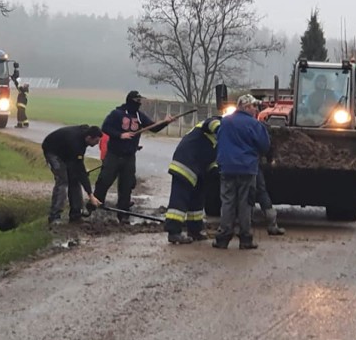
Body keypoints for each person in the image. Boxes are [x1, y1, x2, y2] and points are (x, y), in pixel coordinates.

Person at [90, 90, 173, 223]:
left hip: (129, 157)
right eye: (137, 101)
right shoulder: (117, 114)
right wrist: (120, 135)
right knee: (104, 181)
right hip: (114, 155)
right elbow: (105, 127)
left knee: (126, 186)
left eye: (140, 101)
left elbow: (154, 128)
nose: (139, 104)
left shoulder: (140, 116)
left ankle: (123, 215)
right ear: (131, 101)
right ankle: (93, 208)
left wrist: (166, 122)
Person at [212, 94, 270, 250]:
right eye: (254, 106)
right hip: (247, 169)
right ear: (246, 107)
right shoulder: (254, 124)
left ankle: (223, 238)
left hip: (227, 168)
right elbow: (264, 146)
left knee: (227, 202)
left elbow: (219, 140)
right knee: (245, 204)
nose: (256, 110)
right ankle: (245, 239)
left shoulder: (225, 122)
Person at [164, 116, 222, 244]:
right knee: (179, 201)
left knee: (197, 201)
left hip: (198, 169)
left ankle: (195, 230)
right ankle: (174, 232)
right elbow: (212, 124)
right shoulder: (215, 122)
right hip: (185, 165)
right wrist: (226, 131)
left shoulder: (220, 142)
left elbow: (213, 161)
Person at [42, 125, 103, 225]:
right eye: (96, 141)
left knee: (74, 179)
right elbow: (80, 169)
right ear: (89, 138)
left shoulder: (84, 136)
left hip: (67, 152)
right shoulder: (75, 143)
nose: (97, 144)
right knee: (63, 181)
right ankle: (54, 216)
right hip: (52, 151)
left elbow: (78, 168)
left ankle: (76, 213)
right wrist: (91, 195)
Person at [255, 169, 285, 236]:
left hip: (230, 167)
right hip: (250, 166)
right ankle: (272, 225)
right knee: (261, 192)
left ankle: (231, 227)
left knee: (234, 195)